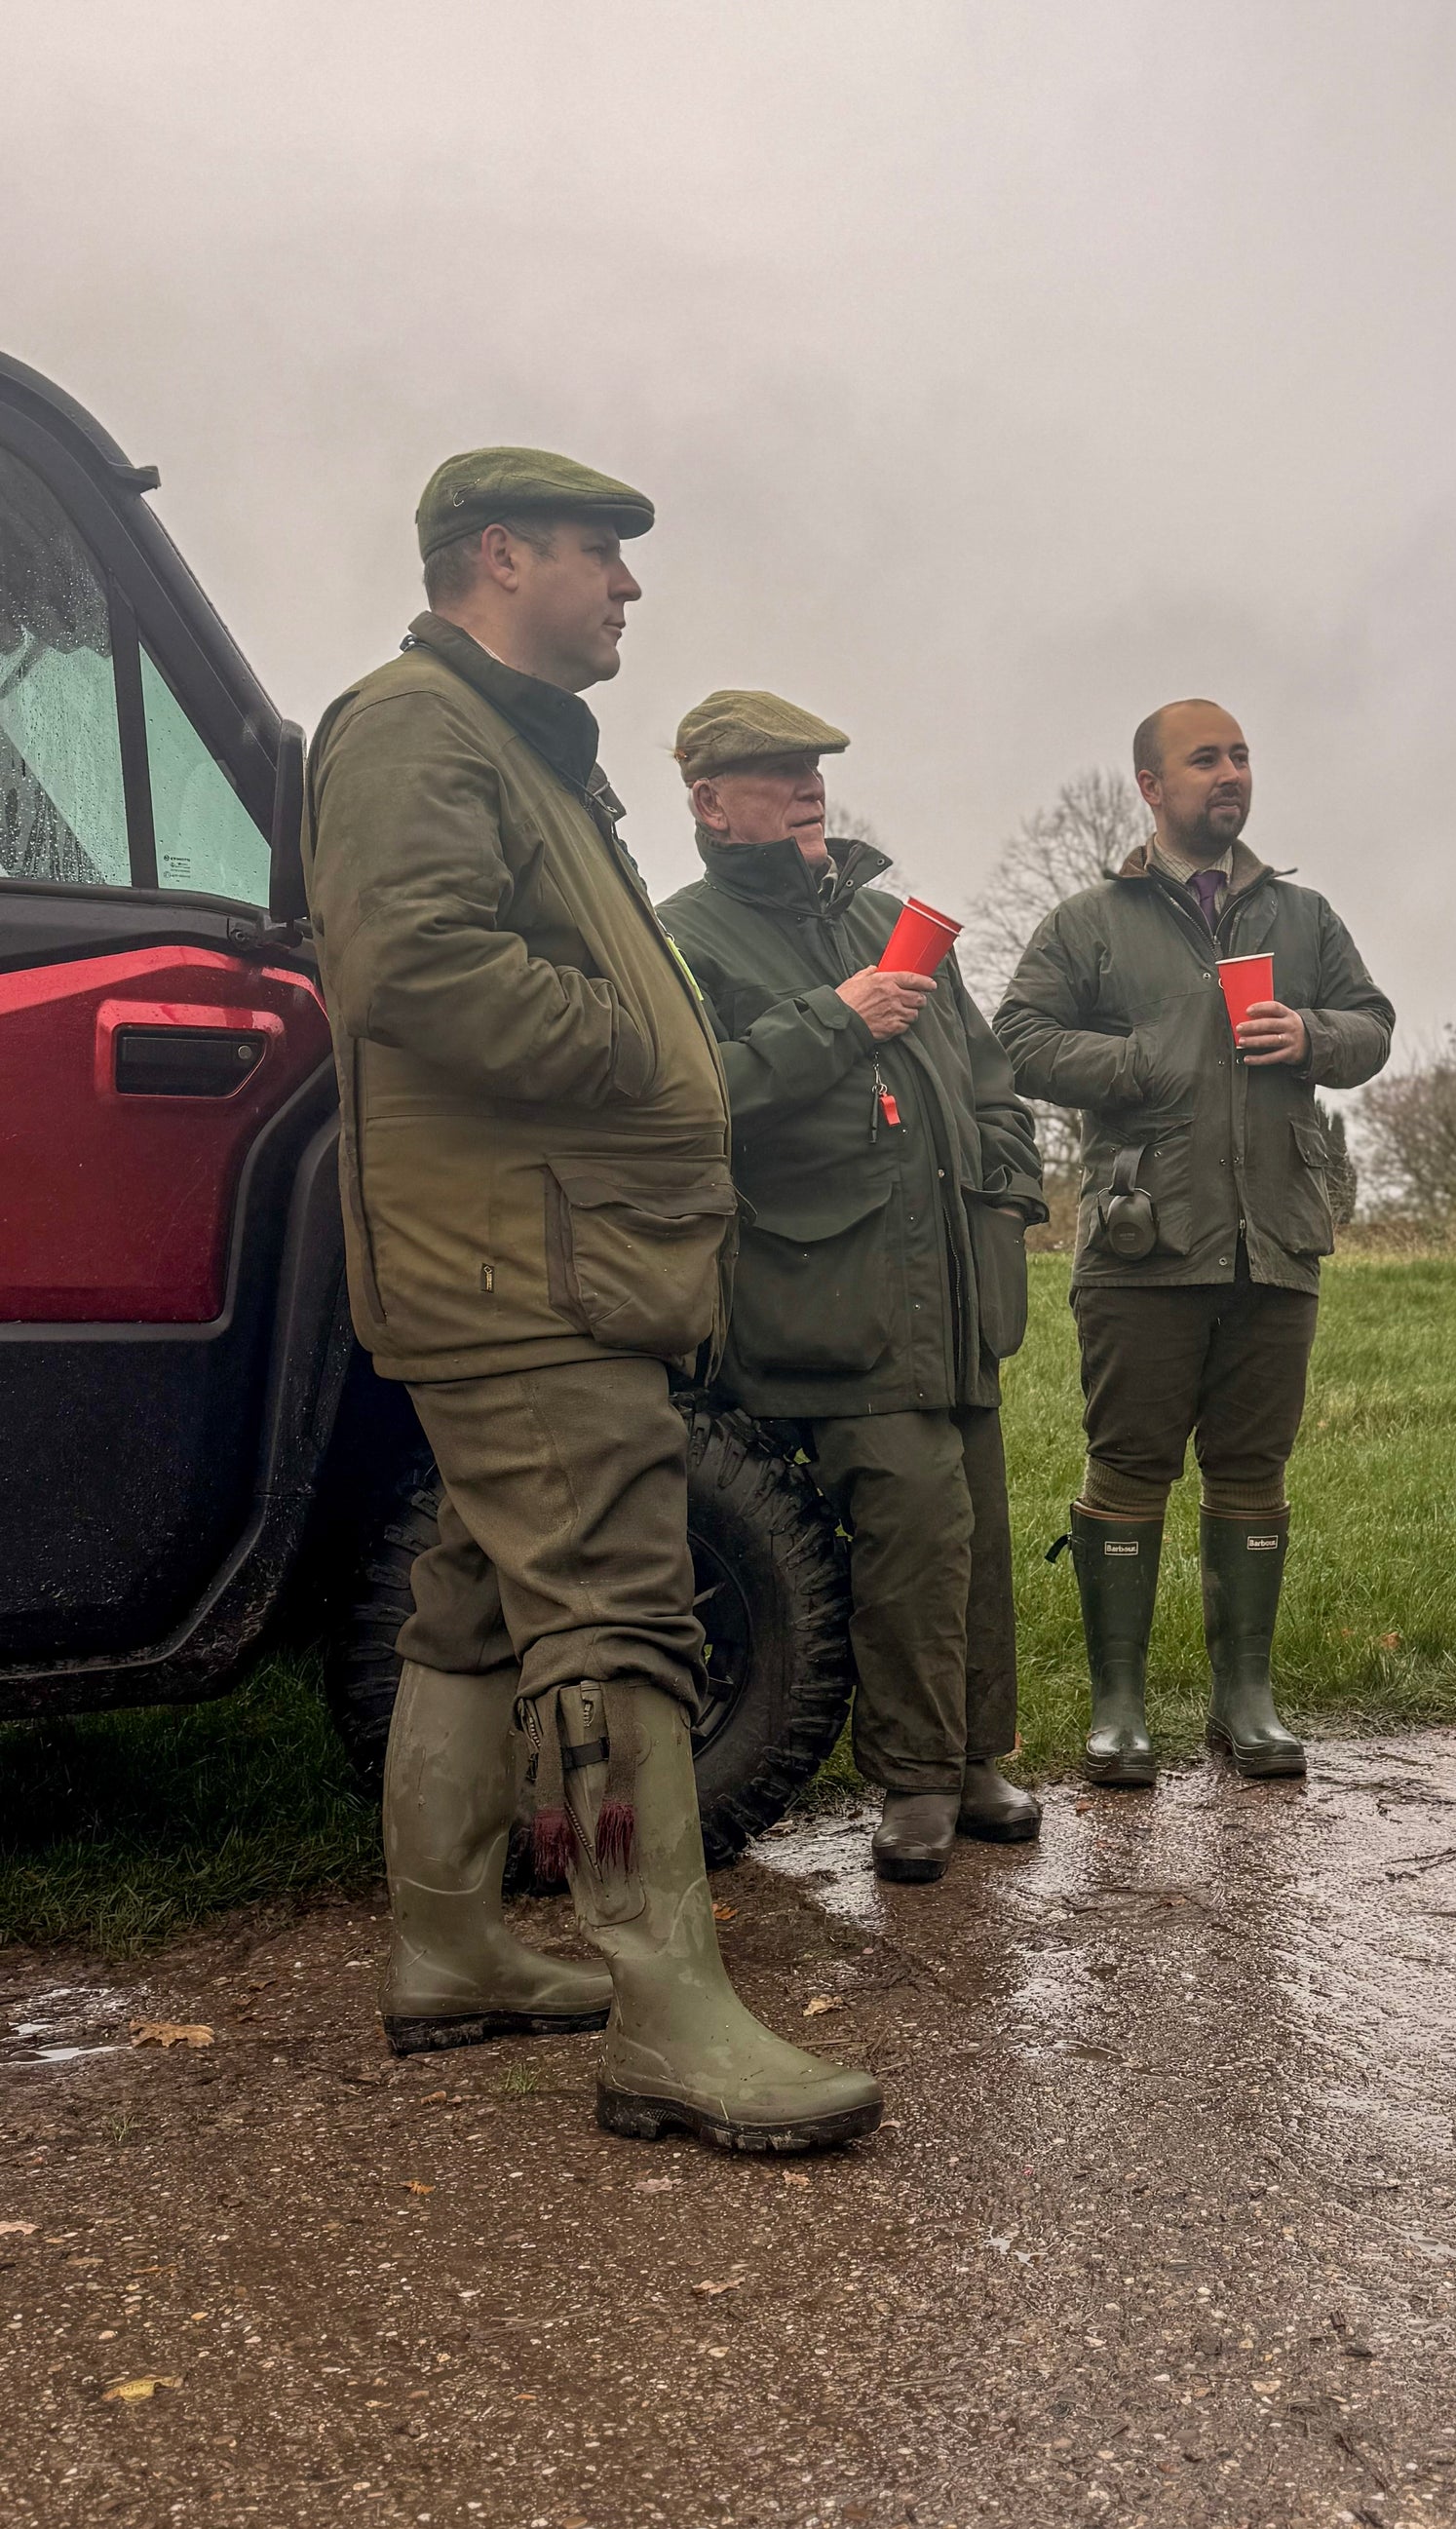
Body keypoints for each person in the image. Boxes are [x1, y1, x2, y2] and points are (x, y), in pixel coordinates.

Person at [301, 454, 879, 2152]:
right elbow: (412, 963)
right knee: (624, 1604)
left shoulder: (523, 747)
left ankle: (449, 1948)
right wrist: (649, 1059)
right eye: (597, 556)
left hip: (533, 1251)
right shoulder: (418, 724)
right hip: (517, 1263)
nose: (626, 588)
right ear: (499, 555)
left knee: (475, 1598)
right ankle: (667, 2010)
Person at [657, 691, 1047, 1884]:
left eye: (814, 766)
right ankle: (917, 1781)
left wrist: (1007, 1185)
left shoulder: (889, 916)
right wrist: (833, 1019)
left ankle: (976, 1757)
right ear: (710, 804)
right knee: (908, 1528)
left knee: (965, 1527)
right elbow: (693, 1094)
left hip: (953, 1287)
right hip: (829, 1289)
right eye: (774, 772)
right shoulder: (685, 934)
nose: (808, 785)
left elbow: (980, 1069)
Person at [992, 698, 1393, 1787]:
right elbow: (1016, 1037)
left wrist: (1309, 1034)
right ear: (1151, 786)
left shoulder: (1301, 919)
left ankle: (1242, 1700)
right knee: (1128, 1467)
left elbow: (1372, 1023)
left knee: (1253, 1468)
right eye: (1203, 758)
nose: (1228, 773)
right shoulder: (1088, 921)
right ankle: (1118, 1708)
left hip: (1276, 1242)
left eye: (1241, 756)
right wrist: (1142, 1063)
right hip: (1141, 1241)